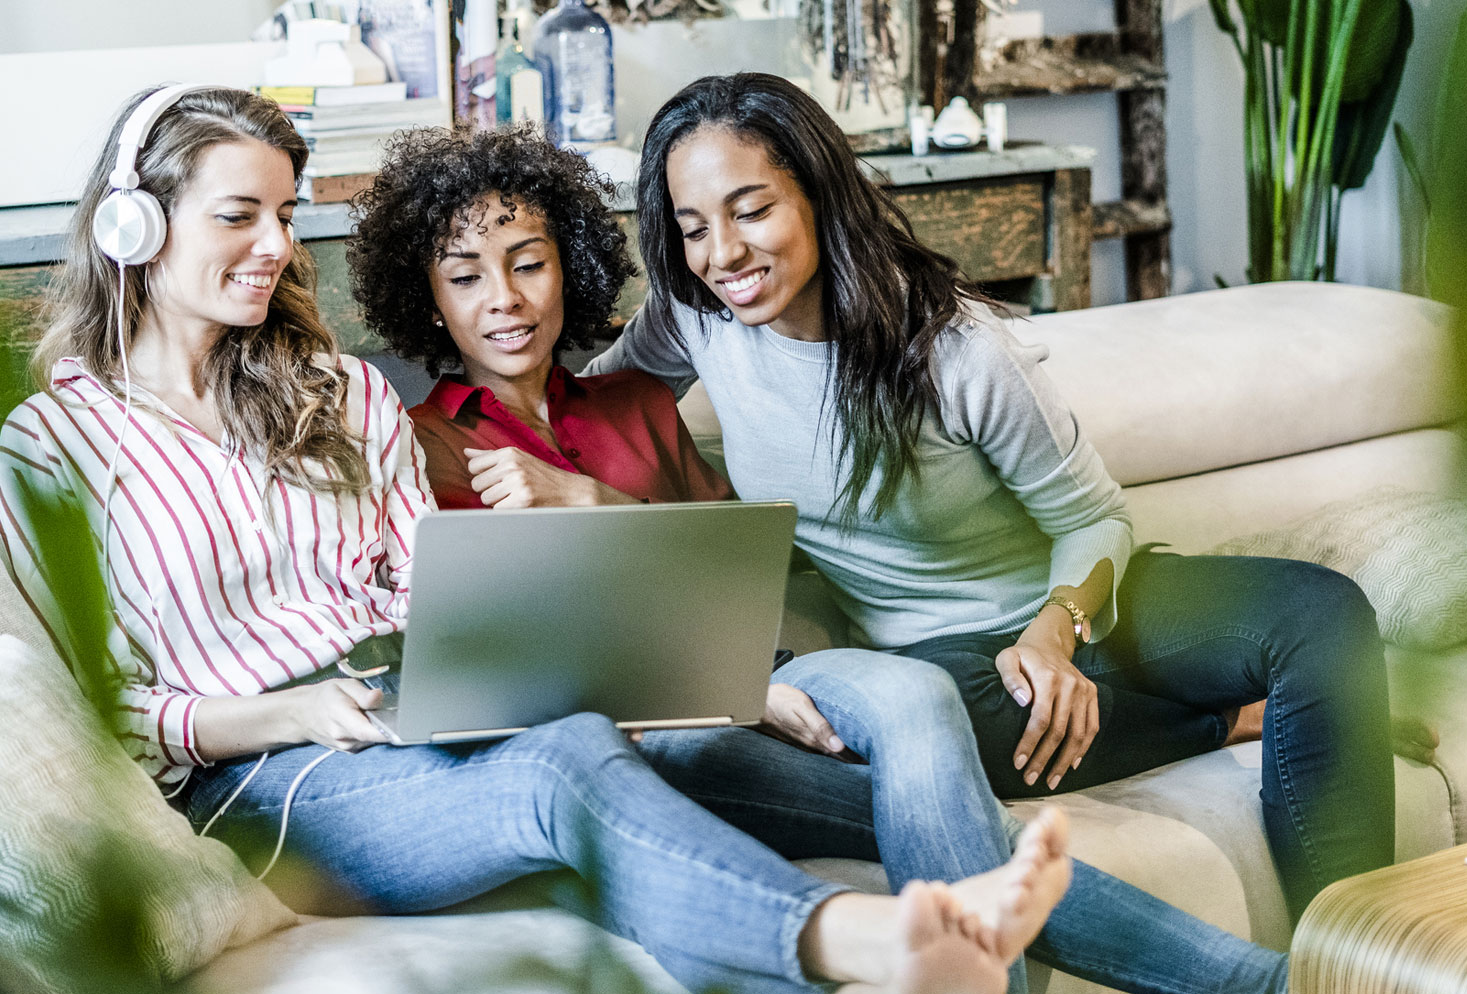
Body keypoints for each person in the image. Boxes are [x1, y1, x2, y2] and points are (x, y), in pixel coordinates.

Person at [0, 84, 1074, 994]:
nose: (277, 246)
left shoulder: (339, 393)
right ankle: (876, 938)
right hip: (269, 779)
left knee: (781, 795)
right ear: (135, 223)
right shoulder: (58, 444)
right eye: (241, 215)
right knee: (567, 767)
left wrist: (582, 663)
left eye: (284, 213)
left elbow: (435, 586)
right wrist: (278, 709)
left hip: (421, 710)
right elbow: (91, 709)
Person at [346, 123, 1291, 994]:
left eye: (528, 263)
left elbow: (735, 565)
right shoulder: (420, 449)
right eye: (465, 278)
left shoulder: (634, 398)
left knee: (919, 692)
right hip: (649, 733)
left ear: (570, 269)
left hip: (772, 666)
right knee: (959, 834)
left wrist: (597, 503)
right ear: (428, 302)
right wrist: (741, 690)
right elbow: (504, 672)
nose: (505, 299)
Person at [587, 72, 1397, 919]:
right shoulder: (695, 320)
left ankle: (1355, 964)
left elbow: (1091, 517)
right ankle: (1226, 717)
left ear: (819, 196)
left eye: (751, 210)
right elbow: (580, 411)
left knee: (1322, 613)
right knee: (928, 728)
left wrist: (1053, 636)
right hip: (937, 666)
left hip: (1072, 613)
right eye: (692, 229)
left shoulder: (959, 349)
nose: (723, 254)